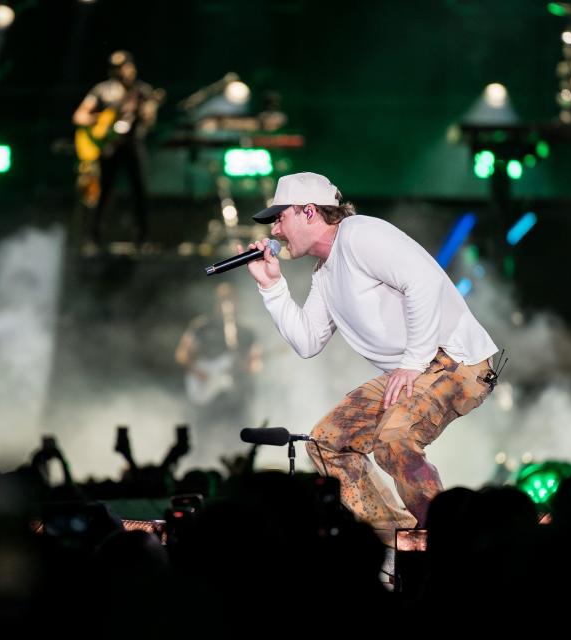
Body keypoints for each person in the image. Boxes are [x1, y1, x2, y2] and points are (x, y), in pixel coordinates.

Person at [241, 172, 499, 545]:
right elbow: (308, 341)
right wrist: (272, 287)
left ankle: (446, 542)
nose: (276, 231)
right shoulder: (325, 273)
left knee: (393, 439)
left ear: (309, 212)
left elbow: (422, 281)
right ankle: (394, 538)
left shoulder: (360, 234)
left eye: (280, 218)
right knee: (327, 442)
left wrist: (413, 360)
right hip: (416, 369)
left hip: (456, 361)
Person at [72, 50, 161, 247]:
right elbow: (79, 116)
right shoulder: (102, 90)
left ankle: (142, 238)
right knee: (102, 192)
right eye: (117, 68)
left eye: (124, 66)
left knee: (140, 192)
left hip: (133, 146)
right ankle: (93, 237)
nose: (122, 72)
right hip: (109, 148)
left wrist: (146, 112)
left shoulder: (142, 91)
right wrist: (103, 119)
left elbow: (149, 120)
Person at [175, 282, 262, 463]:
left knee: (239, 437)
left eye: (230, 300)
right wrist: (198, 371)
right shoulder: (201, 326)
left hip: (237, 395)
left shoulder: (246, 332)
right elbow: (183, 354)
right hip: (208, 395)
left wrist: (246, 367)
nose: (226, 304)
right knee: (203, 438)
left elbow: (255, 364)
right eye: (222, 300)